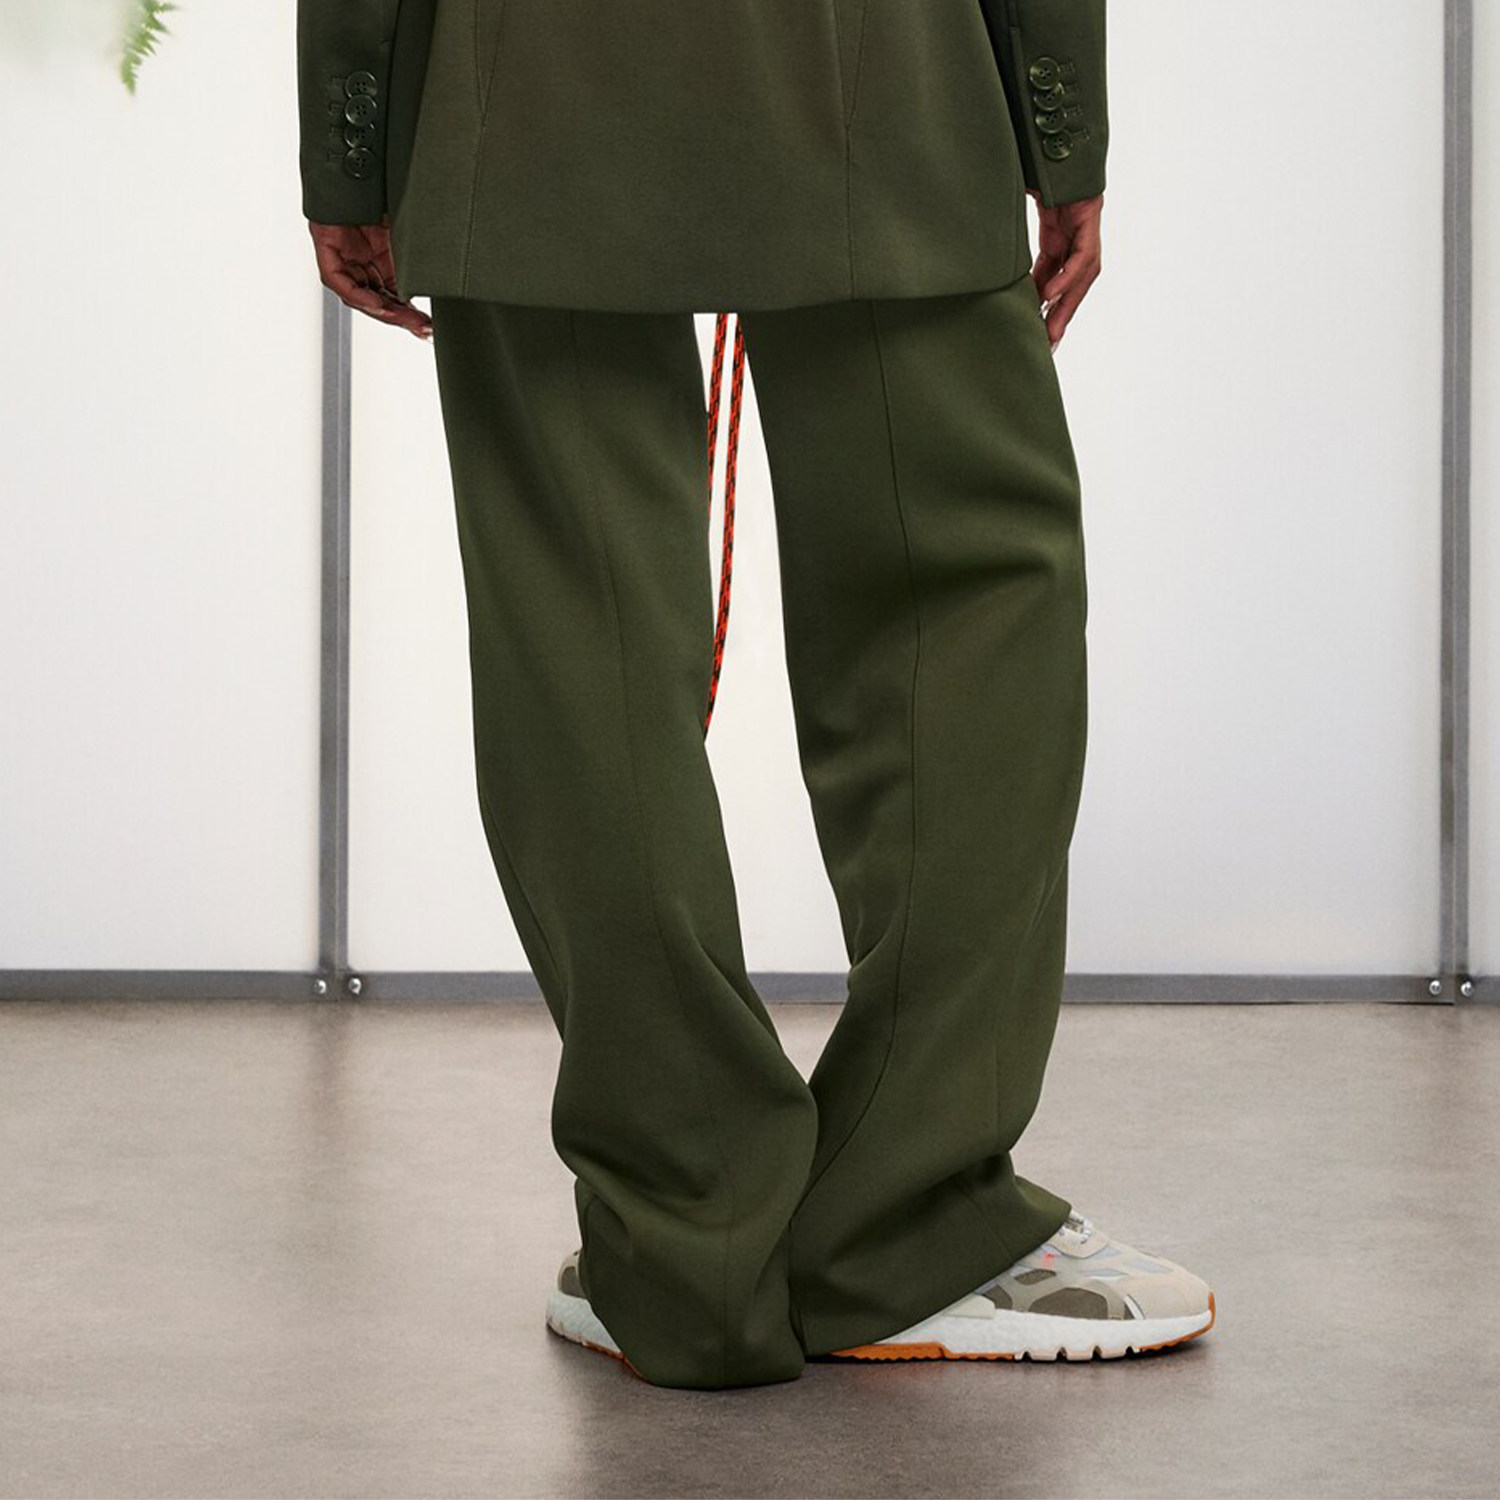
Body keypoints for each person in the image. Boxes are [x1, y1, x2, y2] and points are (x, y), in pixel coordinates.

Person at [296, 0, 1214, 1391]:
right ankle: (906, 1220)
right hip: (890, 76)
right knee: (969, 597)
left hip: (519, 85)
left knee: (577, 634)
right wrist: (1057, 123)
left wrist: (353, 147)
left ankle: (687, 1240)